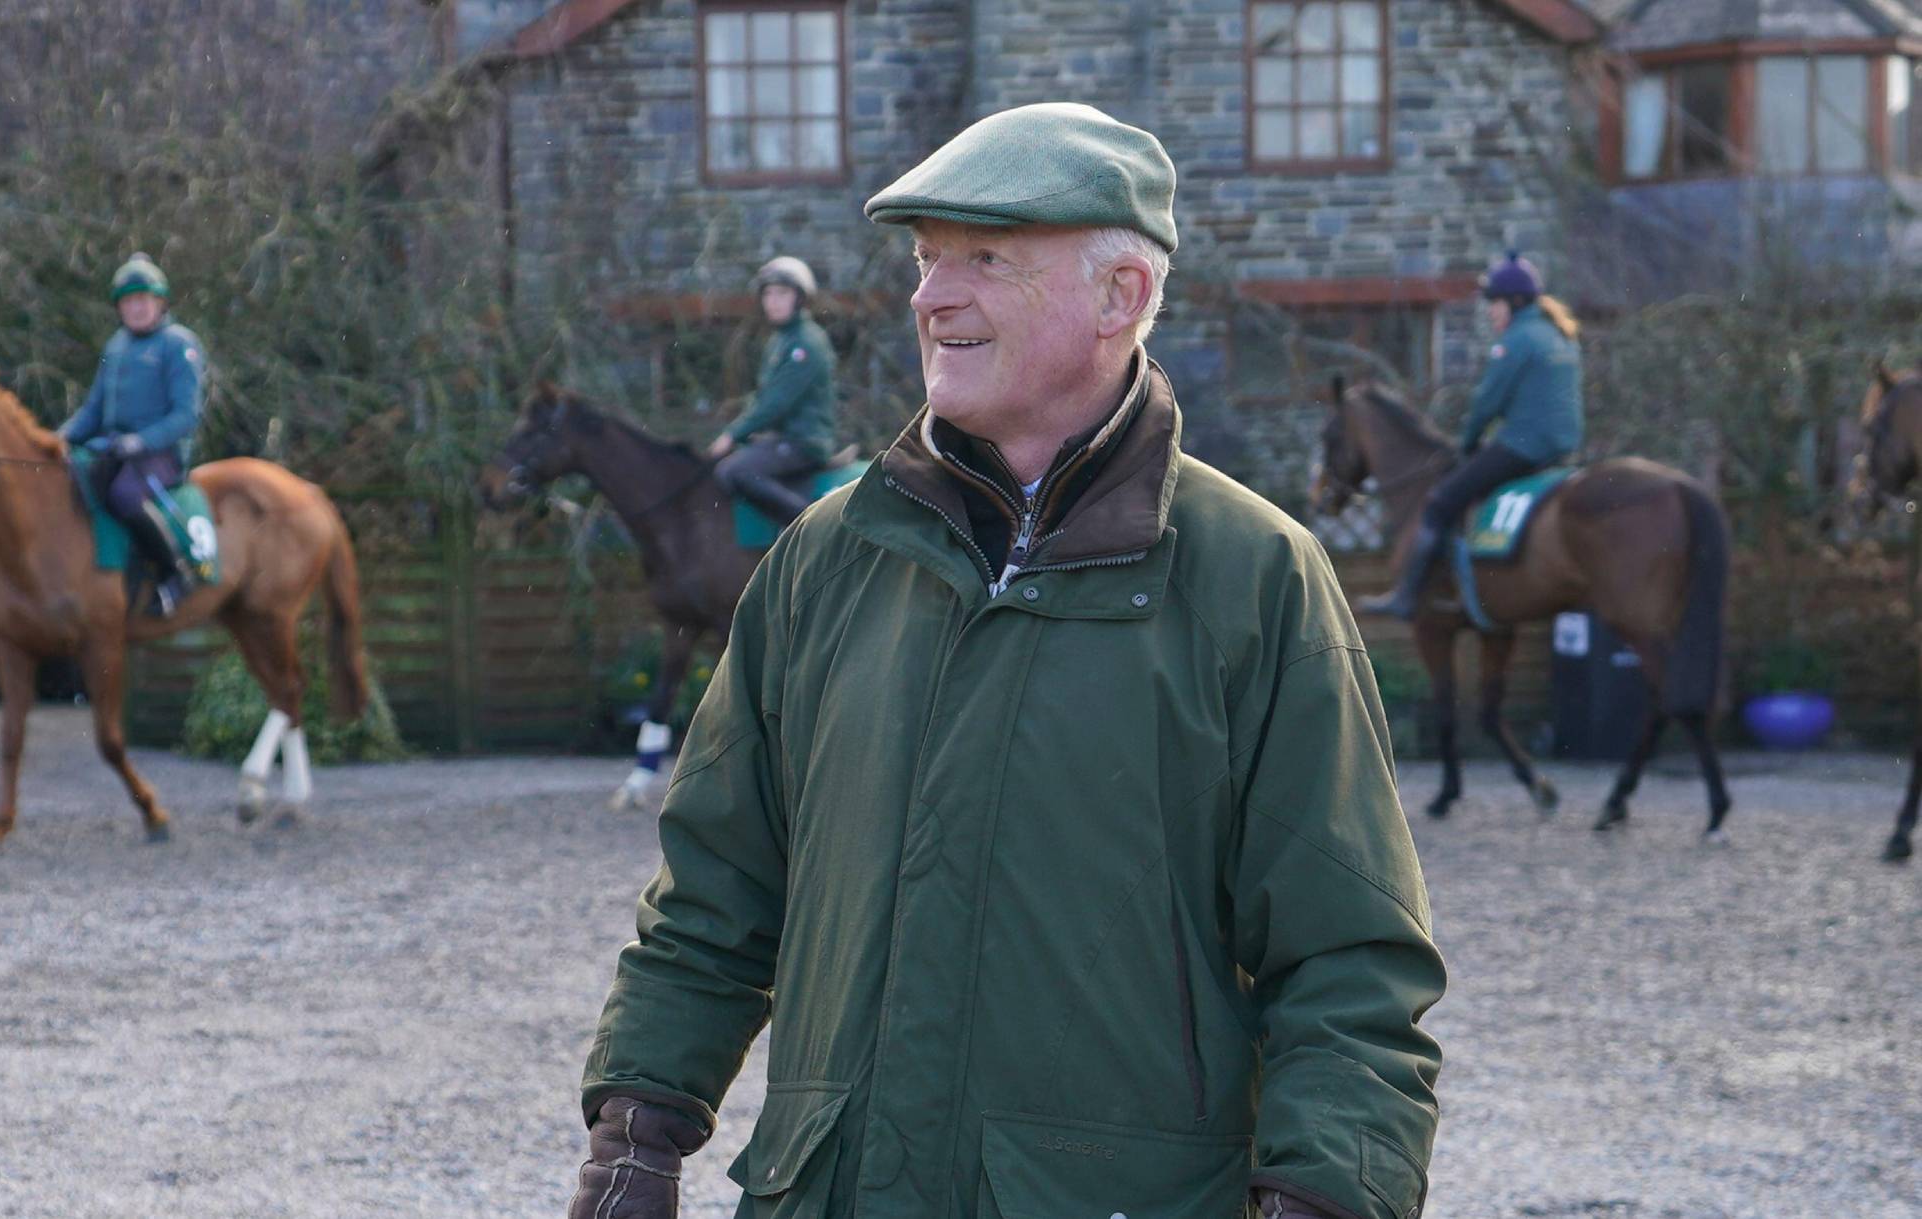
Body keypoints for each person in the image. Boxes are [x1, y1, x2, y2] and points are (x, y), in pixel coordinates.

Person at [565, 103, 1444, 1219]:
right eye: (929, 259)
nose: (933, 295)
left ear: (1121, 296)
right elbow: (715, 889)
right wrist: (634, 1132)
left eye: (987, 257)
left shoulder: (1257, 578)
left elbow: (1351, 960)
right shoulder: (824, 563)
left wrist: (1326, 1195)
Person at [1358, 251, 1584, 619]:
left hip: (1523, 448)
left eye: (1493, 304)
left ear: (1513, 302)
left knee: (1440, 502)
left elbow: (1486, 404)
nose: (1491, 312)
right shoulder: (1560, 334)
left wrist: (1465, 444)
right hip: (1562, 451)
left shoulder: (1516, 340)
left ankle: (1406, 595)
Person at [60, 252, 207, 618]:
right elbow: (94, 409)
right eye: (128, 301)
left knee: (124, 494)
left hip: (159, 454)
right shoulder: (116, 346)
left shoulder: (178, 345)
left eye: (143, 300)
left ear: (160, 302)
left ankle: (175, 576)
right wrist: (56, 440)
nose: (136, 308)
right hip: (113, 449)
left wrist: (140, 442)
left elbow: (185, 415)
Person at [708, 256, 839, 525]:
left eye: (782, 293)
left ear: (800, 298)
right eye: (768, 293)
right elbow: (765, 396)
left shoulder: (805, 344)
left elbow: (776, 403)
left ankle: (810, 526)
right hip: (783, 439)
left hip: (803, 441)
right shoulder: (782, 340)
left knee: (735, 470)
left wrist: (733, 435)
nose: (773, 300)